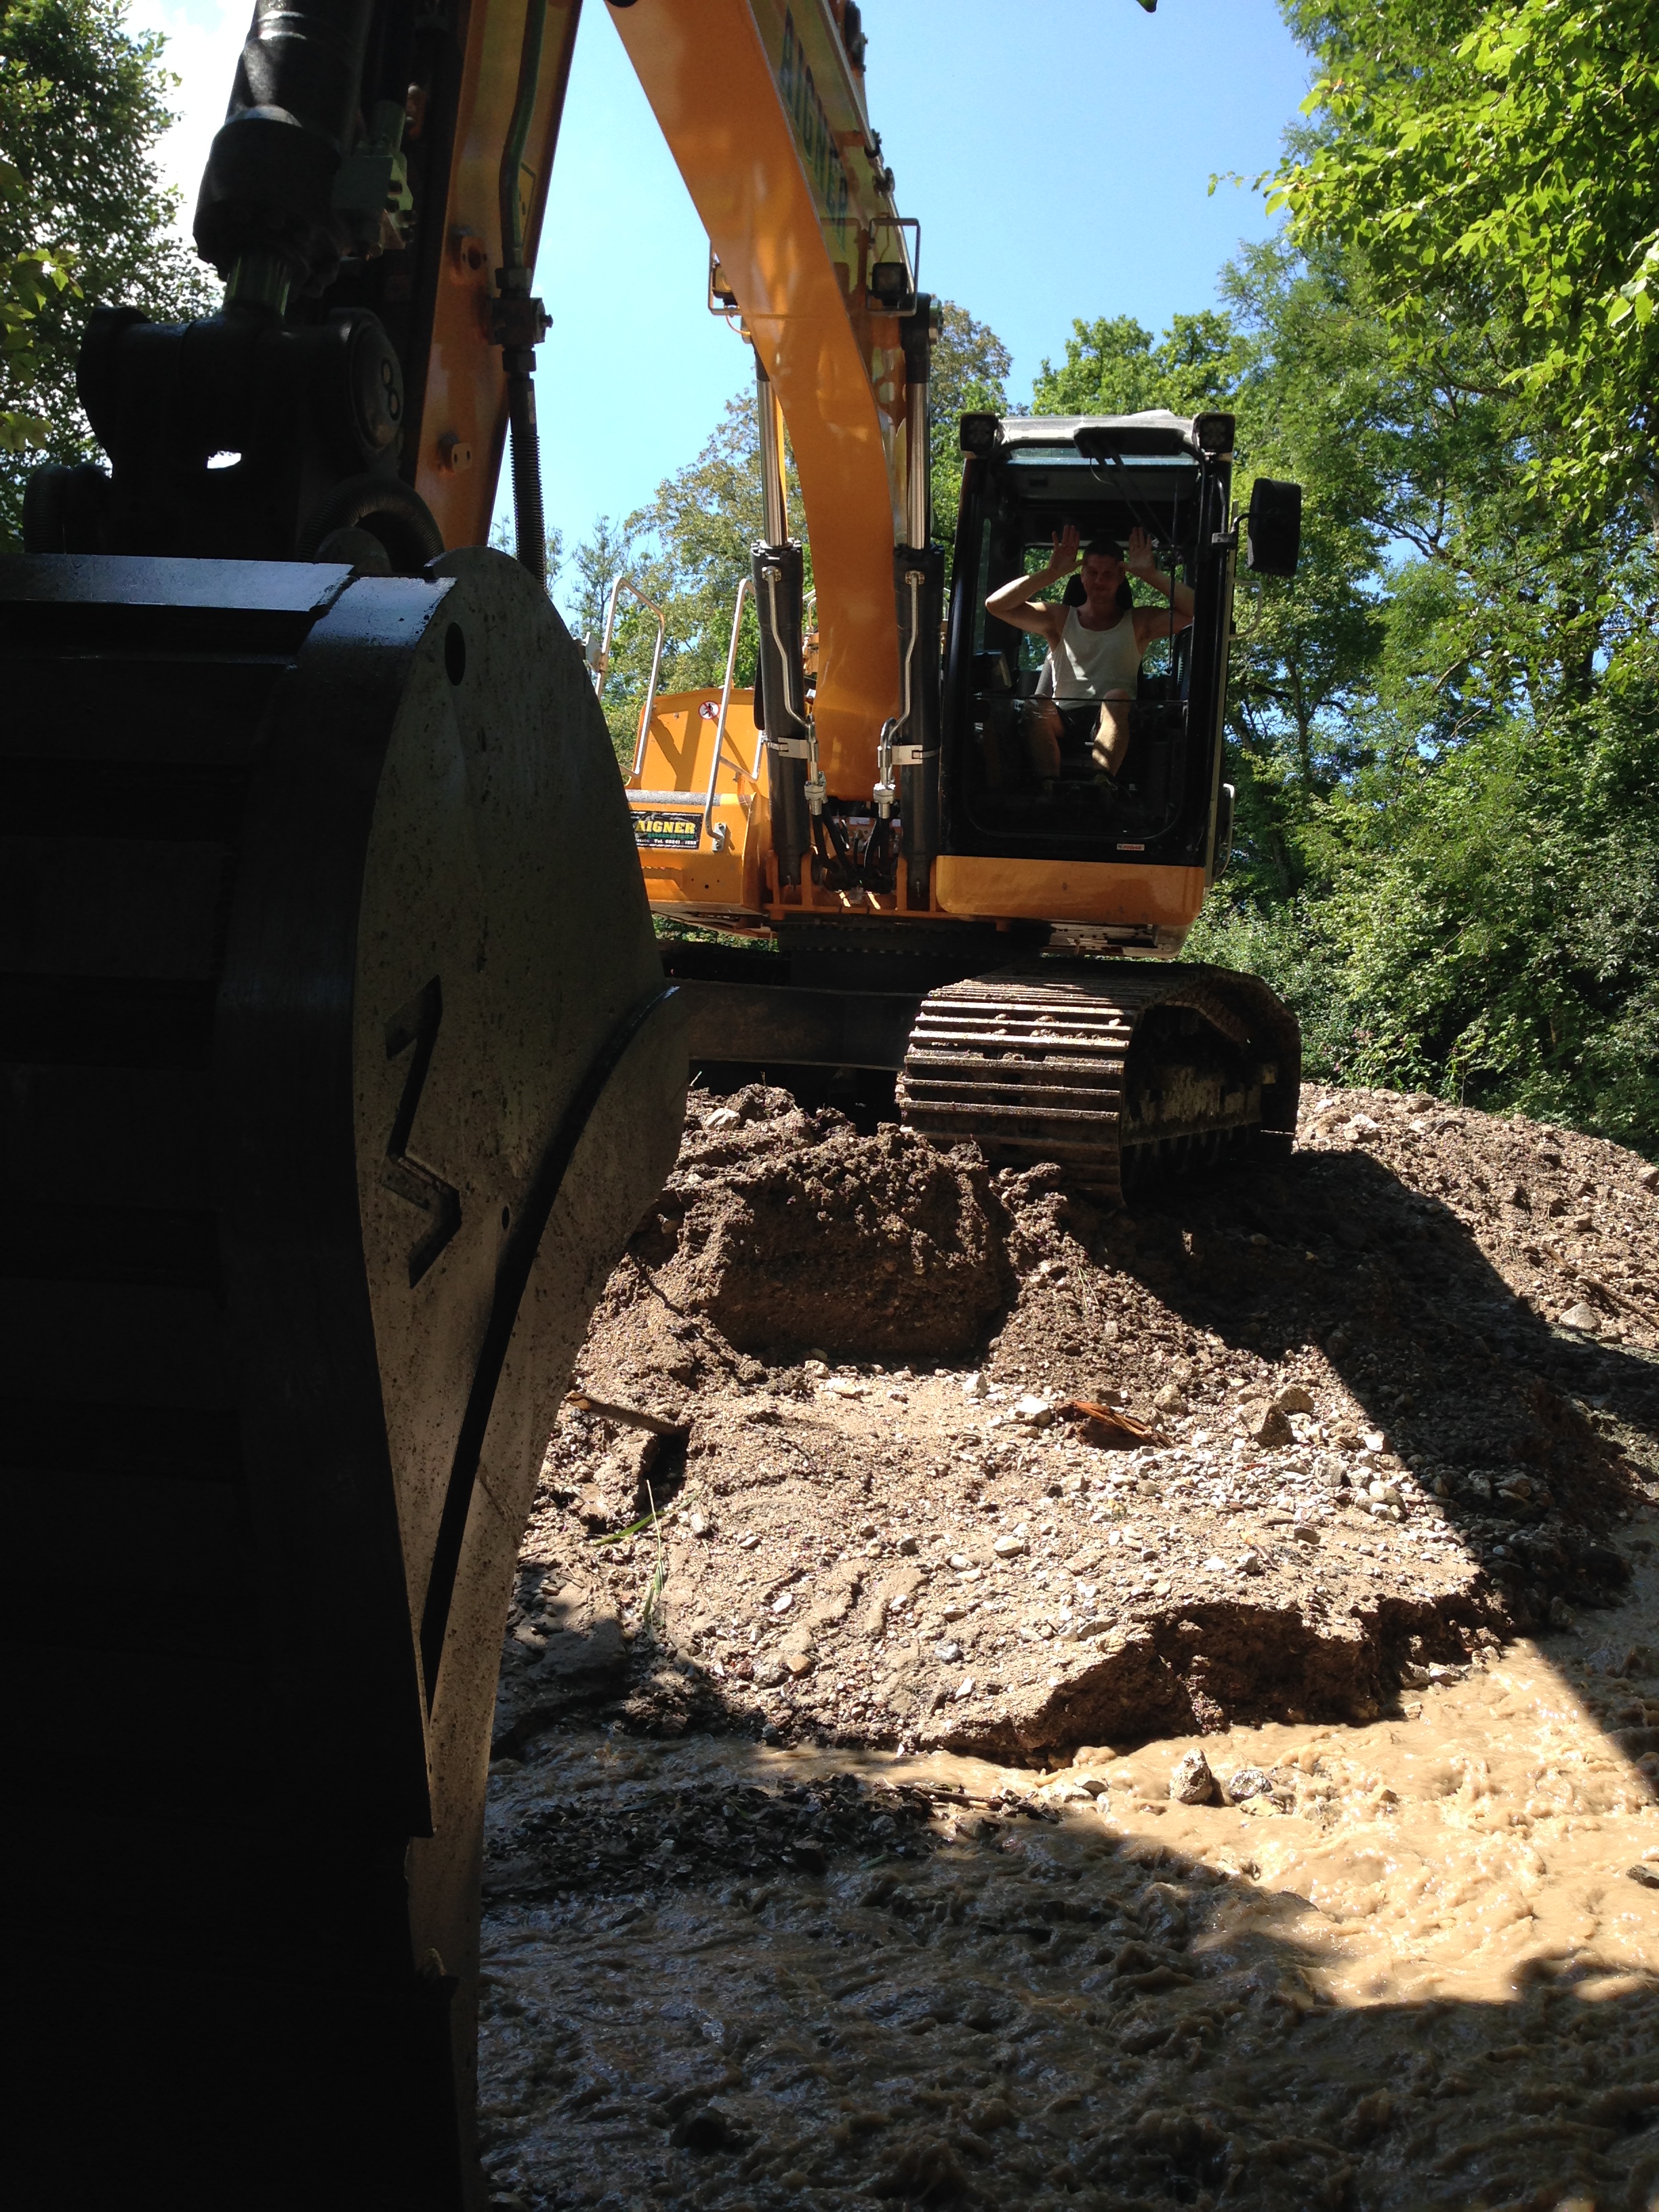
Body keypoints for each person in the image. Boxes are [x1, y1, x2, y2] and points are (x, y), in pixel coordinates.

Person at [984, 523, 1193, 783]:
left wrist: (1151, 574)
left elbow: (1196, 612)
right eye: (1092, 572)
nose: (1099, 581)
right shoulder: (1058, 619)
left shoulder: (1139, 623)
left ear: (1121, 577)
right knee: (1035, 703)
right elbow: (996, 605)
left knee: (1116, 697)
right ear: (1081, 575)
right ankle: (1049, 788)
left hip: (1116, 719)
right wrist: (1051, 572)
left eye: (1108, 574)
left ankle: (1102, 785)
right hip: (1063, 722)